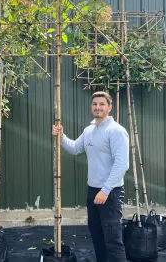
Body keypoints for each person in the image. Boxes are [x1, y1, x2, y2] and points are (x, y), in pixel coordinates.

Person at [52, 91, 129, 262]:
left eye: (102, 104)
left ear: (110, 107)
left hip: (110, 193)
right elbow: (74, 148)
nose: (98, 107)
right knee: (97, 236)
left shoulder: (116, 131)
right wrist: (61, 136)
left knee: (113, 239)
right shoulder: (89, 130)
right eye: (95, 104)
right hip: (93, 191)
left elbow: (122, 164)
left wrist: (106, 190)